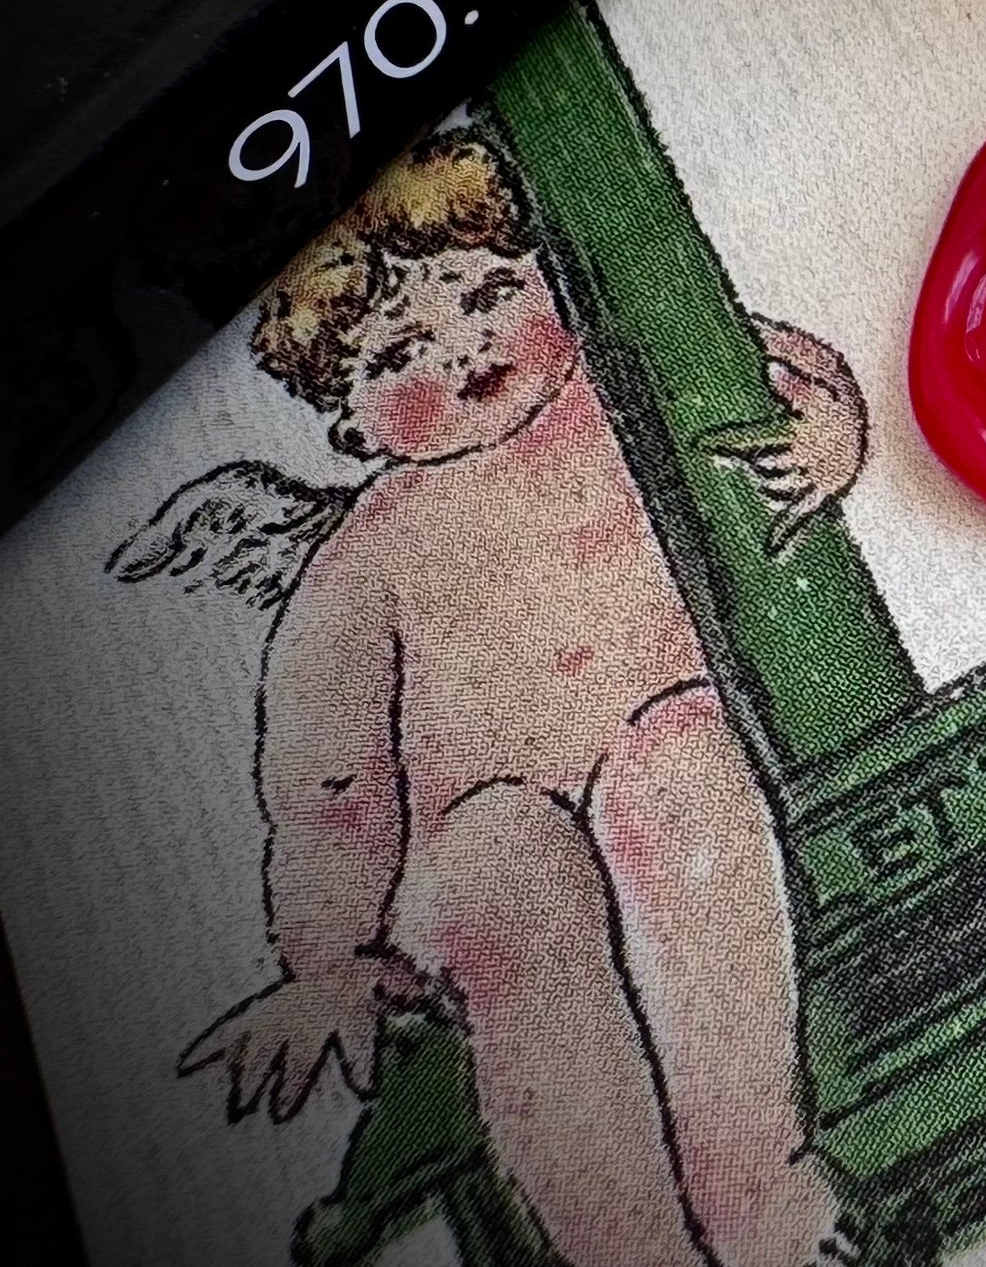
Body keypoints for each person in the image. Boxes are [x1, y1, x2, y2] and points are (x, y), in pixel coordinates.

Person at [119, 126, 867, 1267]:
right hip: (481, 845)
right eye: (397, 354)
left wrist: (830, 431)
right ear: (348, 419)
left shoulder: (628, 388)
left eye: (487, 296)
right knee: (505, 868)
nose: (462, 351)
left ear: (549, 279)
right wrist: (327, 958)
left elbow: (760, 360)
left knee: (676, 767)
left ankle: (758, 1180)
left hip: (668, 768)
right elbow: (329, 779)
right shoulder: (364, 559)